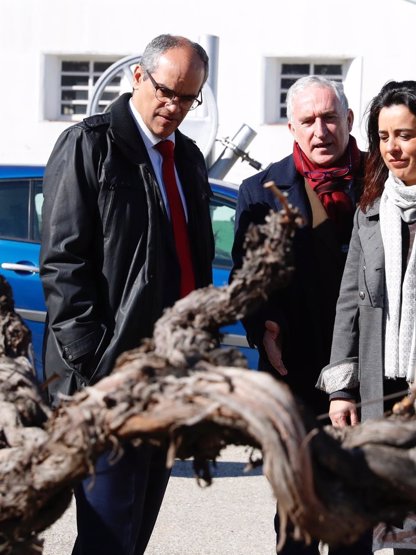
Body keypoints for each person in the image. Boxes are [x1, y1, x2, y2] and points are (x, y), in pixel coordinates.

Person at [40, 34, 214, 555]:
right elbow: (64, 262)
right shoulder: (88, 143)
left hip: (167, 378)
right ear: (138, 77)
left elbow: (195, 260)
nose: (175, 107)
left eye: (188, 98)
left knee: (135, 531)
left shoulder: (188, 158)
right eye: (166, 92)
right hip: (107, 381)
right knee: (107, 535)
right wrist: (96, 364)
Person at [317, 80, 416, 554]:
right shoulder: (371, 207)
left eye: (405, 135)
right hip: (381, 390)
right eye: (384, 137)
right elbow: (350, 301)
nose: (392, 148)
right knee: (396, 524)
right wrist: (342, 389)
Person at [231, 75, 368, 554]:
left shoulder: (382, 180)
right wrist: (262, 323)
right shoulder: (260, 191)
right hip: (296, 367)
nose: (320, 130)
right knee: (297, 510)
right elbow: (246, 277)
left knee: (357, 506)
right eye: (308, 121)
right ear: (292, 128)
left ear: (349, 120)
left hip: (372, 372)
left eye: (330, 118)